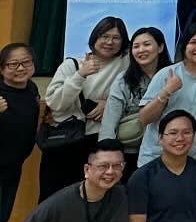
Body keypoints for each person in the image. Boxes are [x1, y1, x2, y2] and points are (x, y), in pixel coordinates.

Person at [39, 17, 129, 200]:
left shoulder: (126, 64)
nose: (110, 42)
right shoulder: (72, 65)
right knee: (53, 199)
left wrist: (109, 103)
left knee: (90, 198)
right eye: (105, 36)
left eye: (116, 38)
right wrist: (80, 75)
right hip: (63, 141)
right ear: (95, 37)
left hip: (95, 143)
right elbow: (55, 103)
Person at [135, 23, 196, 169]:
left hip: (193, 162)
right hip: (155, 159)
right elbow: (144, 118)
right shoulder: (166, 74)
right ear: (184, 47)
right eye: (193, 42)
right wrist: (166, 91)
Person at [99, 27, 170, 179]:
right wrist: (107, 155)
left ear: (160, 47)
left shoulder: (173, 76)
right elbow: (110, 121)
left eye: (147, 44)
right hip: (131, 151)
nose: (141, 50)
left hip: (165, 150)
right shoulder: (123, 80)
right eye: (136, 46)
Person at [0, 43, 41, 222]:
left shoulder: (32, 88)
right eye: (13, 64)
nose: (20, 68)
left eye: (26, 62)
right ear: (2, 68)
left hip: (14, 164)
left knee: (3, 213)